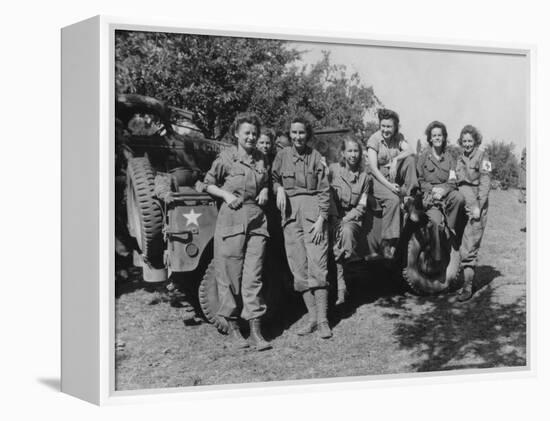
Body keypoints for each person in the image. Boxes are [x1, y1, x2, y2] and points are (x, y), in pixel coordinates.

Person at [197, 112, 272, 351]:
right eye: (246, 133)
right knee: (229, 275)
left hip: (257, 221)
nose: (251, 137)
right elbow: (206, 183)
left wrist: (267, 190)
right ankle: (233, 328)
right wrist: (226, 195)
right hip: (231, 221)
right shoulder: (227, 157)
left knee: (254, 275)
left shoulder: (262, 158)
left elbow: (266, 180)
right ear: (237, 134)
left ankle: (256, 332)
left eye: (254, 133)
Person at [272, 116, 333, 339]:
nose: (297, 137)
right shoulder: (281, 156)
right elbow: (274, 178)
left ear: (308, 134)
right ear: (289, 134)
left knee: (318, 265)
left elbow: (324, 190)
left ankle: (324, 320)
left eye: (301, 133)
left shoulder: (316, 157)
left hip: (312, 213)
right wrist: (278, 188)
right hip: (290, 216)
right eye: (293, 133)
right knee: (299, 268)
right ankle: (312, 319)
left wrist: (321, 218)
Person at [366, 108, 418, 259]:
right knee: (393, 200)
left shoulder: (398, 137)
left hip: (394, 176)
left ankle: (409, 199)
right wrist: (389, 187)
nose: (386, 130)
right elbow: (374, 169)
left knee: (409, 160)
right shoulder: (374, 140)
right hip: (378, 179)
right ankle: (387, 242)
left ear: (395, 127)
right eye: (383, 126)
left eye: (389, 126)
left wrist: (396, 159)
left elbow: (411, 150)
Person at [328, 135, 369, 306]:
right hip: (331, 214)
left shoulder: (365, 177)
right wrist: (334, 216)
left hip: (351, 218)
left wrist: (344, 219)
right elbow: (326, 194)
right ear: (343, 153)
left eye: (356, 151)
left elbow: (361, 206)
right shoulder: (333, 170)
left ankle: (340, 286)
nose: (353, 155)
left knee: (345, 233)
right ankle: (336, 285)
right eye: (349, 151)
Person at [455, 125, 491, 302]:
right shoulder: (460, 157)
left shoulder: (483, 156)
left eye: (470, 140)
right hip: (462, 203)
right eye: (464, 141)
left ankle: (467, 287)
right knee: (462, 243)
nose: (467, 144)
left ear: (475, 141)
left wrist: (479, 206)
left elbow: (485, 183)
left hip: (476, 206)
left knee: (470, 246)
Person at [416, 121, 465, 234]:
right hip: (430, 196)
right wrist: (432, 190)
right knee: (436, 223)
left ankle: (450, 226)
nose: (437, 138)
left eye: (439, 135)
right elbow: (420, 180)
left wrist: (444, 191)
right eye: (434, 136)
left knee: (459, 198)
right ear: (430, 139)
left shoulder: (449, 158)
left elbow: (452, 181)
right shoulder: (423, 157)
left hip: (445, 193)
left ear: (443, 138)